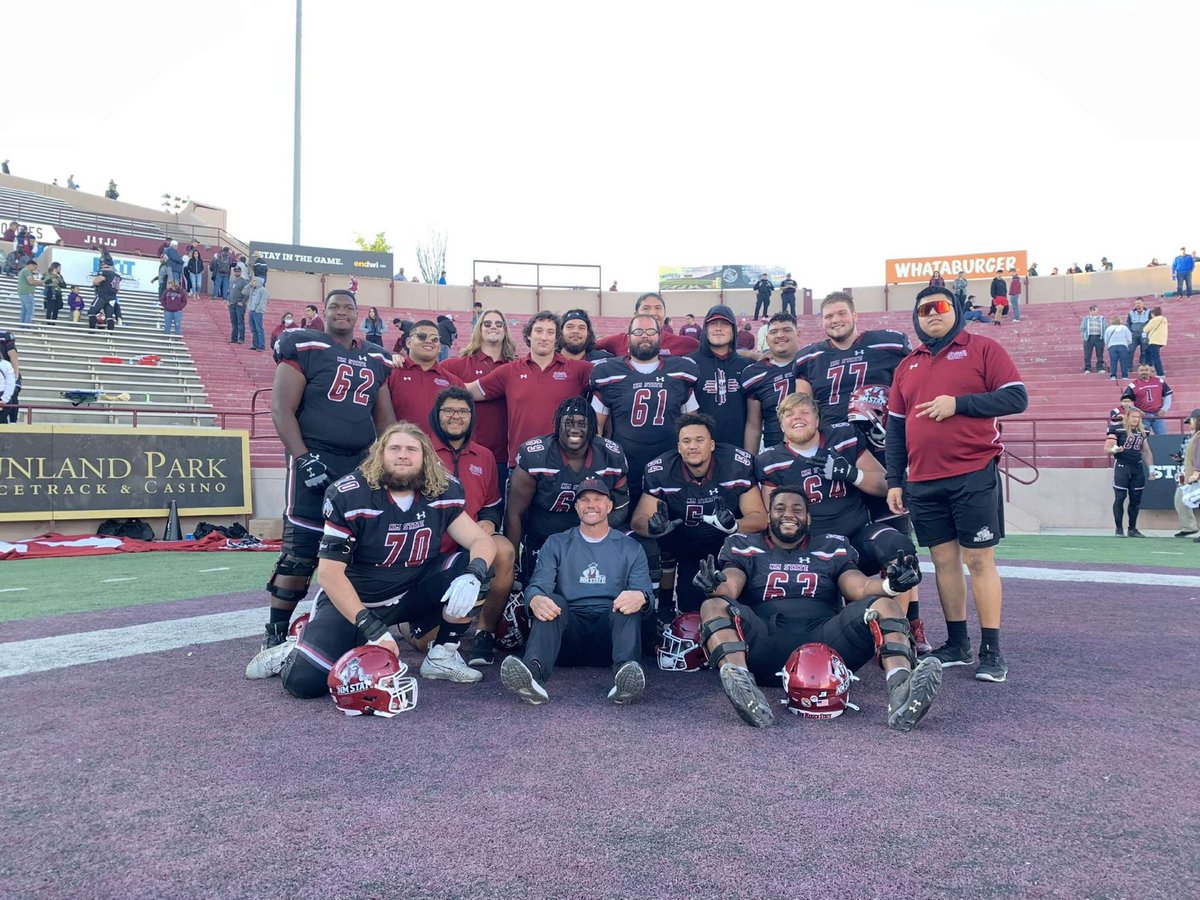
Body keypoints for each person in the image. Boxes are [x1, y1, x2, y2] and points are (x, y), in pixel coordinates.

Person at [274, 423, 498, 697]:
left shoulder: (441, 490)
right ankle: (293, 645)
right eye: (395, 448)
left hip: (410, 593)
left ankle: (442, 656)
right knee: (305, 682)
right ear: (379, 454)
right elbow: (330, 575)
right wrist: (370, 626)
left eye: (411, 449)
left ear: (425, 456)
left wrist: (474, 573)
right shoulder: (350, 494)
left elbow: (481, 540)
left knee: (477, 569)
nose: (403, 455)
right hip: (359, 600)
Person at [691, 486, 935, 730]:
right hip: (766, 641)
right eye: (780, 508)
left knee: (885, 604)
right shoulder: (744, 545)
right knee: (713, 605)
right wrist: (715, 586)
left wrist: (889, 585)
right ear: (768, 517)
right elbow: (730, 586)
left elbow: (858, 586)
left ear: (808, 518)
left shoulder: (831, 546)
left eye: (797, 510)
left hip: (827, 643)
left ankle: (902, 690)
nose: (788, 514)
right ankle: (744, 686)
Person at [245, 290, 397, 678]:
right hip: (314, 454)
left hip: (359, 463)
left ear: (359, 315)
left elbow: (385, 421)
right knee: (301, 549)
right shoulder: (304, 344)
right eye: (334, 307)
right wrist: (302, 455)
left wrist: (388, 463)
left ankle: (340, 626)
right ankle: (275, 632)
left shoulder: (375, 357)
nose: (341, 312)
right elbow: (281, 408)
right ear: (323, 314)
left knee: (356, 552)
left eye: (348, 307)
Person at [886, 286, 1028, 683]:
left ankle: (992, 650)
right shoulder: (907, 365)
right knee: (943, 562)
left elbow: (1016, 398)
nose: (932, 314)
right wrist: (895, 479)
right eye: (923, 309)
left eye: (940, 306)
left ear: (957, 310)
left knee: (979, 559)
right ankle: (958, 642)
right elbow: (895, 429)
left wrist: (959, 403)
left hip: (972, 472)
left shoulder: (983, 348)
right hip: (923, 481)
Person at [499, 478, 654, 707]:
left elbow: (646, 594)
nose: (591, 505)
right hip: (567, 637)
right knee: (550, 601)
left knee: (627, 602)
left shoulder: (630, 548)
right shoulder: (557, 543)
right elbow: (538, 585)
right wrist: (535, 599)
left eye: (597, 499)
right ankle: (532, 675)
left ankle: (625, 678)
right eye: (584, 500)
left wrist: (640, 597)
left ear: (609, 506)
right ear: (577, 507)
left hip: (610, 637)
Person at [631, 413, 766, 615]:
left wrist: (734, 525)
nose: (692, 446)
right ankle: (665, 609)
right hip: (687, 548)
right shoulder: (662, 470)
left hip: (728, 550)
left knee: (737, 609)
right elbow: (638, 520)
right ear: (679, 447)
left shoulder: (735, 464)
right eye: (686, 441)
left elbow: (760, 518)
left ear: (712, 444)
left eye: (699, 440)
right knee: (690, 609)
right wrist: (652, 527)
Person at [427, 387, 516, 667]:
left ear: (472, 416)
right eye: (449, 410)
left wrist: (486, 526)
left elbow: (491, 505)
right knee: (424, 641)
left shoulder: (485, 456)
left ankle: (485, 632)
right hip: (429, 550)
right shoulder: (421, 452)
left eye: (463, 411)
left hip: (470, 544)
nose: (456, 416)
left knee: (503, 549)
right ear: (436, 415)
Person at [506, 397, 630, 585]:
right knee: (542, 593)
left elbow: (621, 507)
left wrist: (593, 534)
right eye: (568, 423)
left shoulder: (610, 455)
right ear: (557, 426)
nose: (574, 429)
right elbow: (514, 513)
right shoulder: (536, 455)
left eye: (582, 424)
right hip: (543, 538)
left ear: (592, 429)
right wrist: (512, 564)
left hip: (592, 536)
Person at [590, 313, 700, 503]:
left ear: (660, 335)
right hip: (623, 461)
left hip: (670, 462)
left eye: (650, 331)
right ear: (629, 336)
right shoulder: (608, 372)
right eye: (638, 331)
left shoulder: (681, 370)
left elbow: (693, 425)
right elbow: (596, 429)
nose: (644, 336)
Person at [466, 311, 593, 469]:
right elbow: (469, 391)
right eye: (538, 331)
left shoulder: (578, 370)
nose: (544, 337)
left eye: (550, 332)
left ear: (557, 338)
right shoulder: (510, 371)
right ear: (528, 335)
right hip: (521, 464)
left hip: (564, 464)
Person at [793, 292, 911, 425]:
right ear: (822, 321)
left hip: (878, 436)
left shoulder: (888, 345)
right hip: (830, 439)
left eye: (842, 313)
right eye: (828, 316)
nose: (835, 320)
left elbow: (908, 396)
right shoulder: (810, 357)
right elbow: (803, 409)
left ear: (855, 316)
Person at [442, 308, 519, 491]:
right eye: (488, 323)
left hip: (502, 458)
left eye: (499, 324)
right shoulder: (458, 365)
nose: (493, 327)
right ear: (479, 329)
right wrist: (398, 359)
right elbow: (427, 369)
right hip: (464, 454)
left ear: (505, 330)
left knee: (496, 515)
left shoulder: (516, 367)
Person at [687, 304, 761, 450]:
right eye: (713, 323)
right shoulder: (689, 364)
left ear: (733, 331)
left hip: (737, 450)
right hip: (700, 451)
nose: (718, 328)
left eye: (725, 324)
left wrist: (749, 459)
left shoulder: (747, 366)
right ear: (705, 330)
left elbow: (753, 422)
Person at [385, 319, 464, 436]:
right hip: (401, 450)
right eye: (421, 336)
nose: (428, 341)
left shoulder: (453, 382)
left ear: (440, 347)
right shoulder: (390, 373)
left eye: (435, 339)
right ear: (408, 342)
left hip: (439, 452)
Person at [743, 312, 800, 451]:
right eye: (774, 332)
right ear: (767, 339)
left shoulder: (811, 362)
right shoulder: (754, 373)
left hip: (811, 448)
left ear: (798, 333)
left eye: (786, 330)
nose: (780, 335)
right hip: (773, 450)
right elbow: (753, 425)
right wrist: (750, 463)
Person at [1106, 406, 1157, 538]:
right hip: (1122, 466)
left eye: (1138, 417)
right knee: (1120, 497)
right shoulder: (1117, 429)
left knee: (1135, 499)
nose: (1135, 419)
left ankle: (1132, 528)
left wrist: (1151, 469)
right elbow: (1107, 448)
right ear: (1127, 417)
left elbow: (1146, 450)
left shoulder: (1143, 430)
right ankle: (1118, 529)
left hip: (1136, 467)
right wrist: (1115, 450)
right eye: (1133, 416)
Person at [594, 292, 699, 357]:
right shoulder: (618, 341)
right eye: (646, 308)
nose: (653, 313)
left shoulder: (685, 343)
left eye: (658, 308)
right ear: (635, 314)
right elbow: (589, 347)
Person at [1121, 363, 1173, 436]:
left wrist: (1164, 409)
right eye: (1142, 370)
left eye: (1146, 370)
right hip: (1143, 416)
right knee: (1143, 438)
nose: (1144, 372)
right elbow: (1126, 402)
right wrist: (1137, 411)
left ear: (1150, 371)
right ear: (1138, 372)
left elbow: (1168, 395)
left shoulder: (1160, 381)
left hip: (1158, 414)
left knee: (1163, 437)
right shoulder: (1133, 385)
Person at [1172, 409, 1200, 538]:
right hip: (1189, 474)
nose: (1190, 424)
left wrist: (1197, 472)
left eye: (1192, 421)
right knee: (1180, 500)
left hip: (1195, 475)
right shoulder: (1192, 437)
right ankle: (1189, 527)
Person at [88, 260, 120, 331]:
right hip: (112, 297)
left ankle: (92, 330)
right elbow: (117, 290)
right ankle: (110, 334)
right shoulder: (117, 276)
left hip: (103, 296)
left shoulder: (105, 273)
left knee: (92, 312)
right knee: (109, 317)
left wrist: (98, 284)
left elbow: (96, 281)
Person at [1103, 314, 1133, 380]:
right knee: (1124, 361)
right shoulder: (1124, 328)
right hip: (1123, 346)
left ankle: (1113, 375)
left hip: (1112, 346)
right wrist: (1127, 343)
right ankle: (1124, 376)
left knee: (1113, 361)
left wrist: (1108, 344)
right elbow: (1129, 338)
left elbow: (1106, 339)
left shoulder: (1109, 328)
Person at [0, 329, 20, 424]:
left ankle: (13, 422)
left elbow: (13, 356)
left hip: (7, 372)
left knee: (13, 394)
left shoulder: (4, 335)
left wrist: (15, 376)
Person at [1080, 304, 1107, 374]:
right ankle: (1087, 368)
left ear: (1097, 310)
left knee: (1100, 354)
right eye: (1091, 309)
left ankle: (1100, 368)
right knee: (1087, 354)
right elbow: (1082, 329)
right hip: (1089, 338)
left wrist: (1104, 337)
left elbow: (1106, 328)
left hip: (1099, 338)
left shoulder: (1102, 318)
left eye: (1094, 309)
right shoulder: (1086, 319)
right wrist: (1084, 337)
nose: (1092, 311)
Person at [1126, 298, 1151, 367]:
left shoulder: (1149, 312)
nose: (1137, 305)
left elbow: (1151, 322)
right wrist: (1131, 331)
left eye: (1139, 303)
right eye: (1136, 304)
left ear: (1143, 304)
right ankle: (1129, 367)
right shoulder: (1131, 313)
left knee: (1144, 350)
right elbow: (1128, 323)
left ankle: (1143, 365)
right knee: (1130, 350)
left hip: (1144, 334)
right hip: (1134, 334)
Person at [1142, 307, 1168, 376]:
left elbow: (1145, 329)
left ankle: (1160, 373)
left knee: (1156, 357)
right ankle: (1150, 365)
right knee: (1147, 350)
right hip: (1161, 340)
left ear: (1153, 314)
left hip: (1154, 340)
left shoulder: (1154, 320)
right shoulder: (1164, 319)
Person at [245, 276, 268, 351]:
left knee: (259, 329)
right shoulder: (253, 290)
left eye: (254, 281)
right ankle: (255, 344)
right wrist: (249, 285)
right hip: (251, 311)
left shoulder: (263, 290)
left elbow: (263, 301)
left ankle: (261, 345)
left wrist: (258, 309)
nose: (253, 282)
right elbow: (244, 292)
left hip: (258, 312)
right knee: (253, 329)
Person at [226, 266, 248, 344]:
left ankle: (241, 338)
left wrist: (242, 302)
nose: (236, 273)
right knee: (233, 322)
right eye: (235, 271)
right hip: (231, 304)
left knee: (240, 322)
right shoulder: (232, 281)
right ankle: (234, 338)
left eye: (238, 271)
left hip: (239, 305)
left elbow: (247, 293)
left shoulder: (244, 282)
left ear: (241, 272)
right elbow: (229, 292)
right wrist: (228, 300)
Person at [16, 259, 41, 325]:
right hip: (27, 293)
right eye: (34, 267)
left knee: (24, 311)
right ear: (30, 265)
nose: (34, 269)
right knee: (29, 311)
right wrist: (40, 282)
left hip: (23, 292)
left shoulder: (23, 271)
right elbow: (31, 282)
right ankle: (26, 327)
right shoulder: (26, 271)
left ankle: (22, 326)